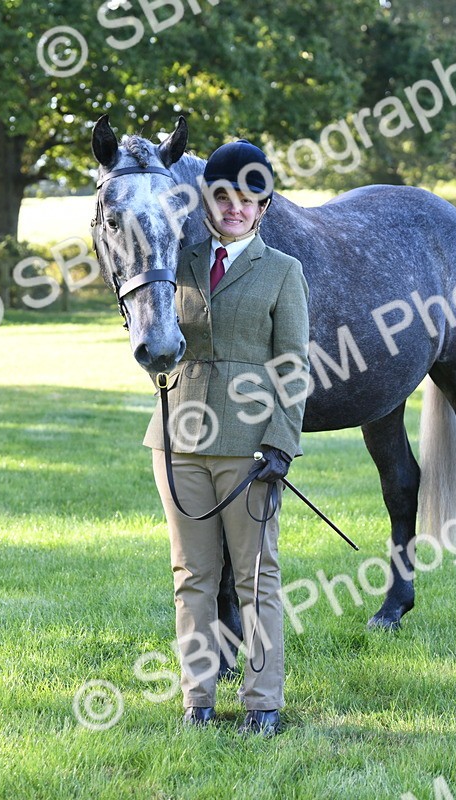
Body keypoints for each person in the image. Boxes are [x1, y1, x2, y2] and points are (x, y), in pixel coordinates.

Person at [144, 138, 310, 737]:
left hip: (248, 447)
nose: (235, 207)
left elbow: (293, 365)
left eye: (248, 198)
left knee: (255, 577)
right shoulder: (177, 261)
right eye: (223, 196)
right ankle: (198, 698)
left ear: (263, 207)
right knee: (191, 575)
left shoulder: (284, 272)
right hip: (178, 438)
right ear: (206, 202)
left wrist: (281, 443)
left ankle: (263, 702)